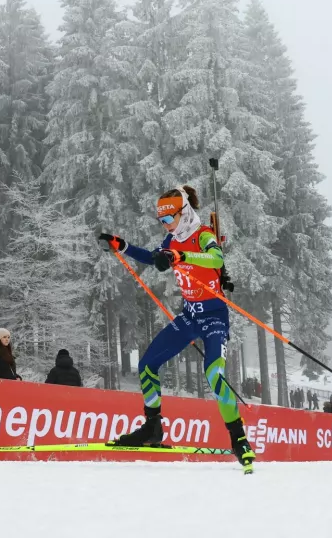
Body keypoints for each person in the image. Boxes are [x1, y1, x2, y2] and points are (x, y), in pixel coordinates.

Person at [98, 185, 255, 472]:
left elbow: (216, 258)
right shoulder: (172, 239)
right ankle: (152, 428)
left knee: (214, 374)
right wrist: (121, 246)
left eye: (169, 219)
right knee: (146, 365)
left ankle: (238, 438)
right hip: (190, 316)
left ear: (184, 212)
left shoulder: (203, 234)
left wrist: (182, 257)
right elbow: (152, 257)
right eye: (162, 221)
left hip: (214, 317)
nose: (166, 225)